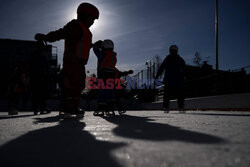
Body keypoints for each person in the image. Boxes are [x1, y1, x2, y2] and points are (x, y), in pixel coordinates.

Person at [34, 3, 99, 118]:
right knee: (72, 84)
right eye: (91, 18)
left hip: (80, 63)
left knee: (79, 84)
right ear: (83, 15)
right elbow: (61, 33)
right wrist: (46, 37)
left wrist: (93, 45)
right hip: (72, 61)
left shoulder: (86, 32)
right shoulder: (75, 25)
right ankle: (68, 107)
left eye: (94, 20)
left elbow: (83, 45)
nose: (93, 22)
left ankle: (70, 106)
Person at [155, 45, 186, 113]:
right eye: (172, 50)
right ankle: (167, 107)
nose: (173, 52)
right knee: (168, 94)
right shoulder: (169, 58)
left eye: (174, 50)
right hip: (170, 80)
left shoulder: (179, 59)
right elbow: (162, 68)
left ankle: (180, 107)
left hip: (176, 79)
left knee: (178, 94)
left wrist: (184, 76)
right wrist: (157, 76)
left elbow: (184, 68)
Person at [93, 39, 117, 116]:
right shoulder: (113, 56)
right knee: (109, 92)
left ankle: (101, 107)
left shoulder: (103, 54)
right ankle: (110, 108)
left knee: (102, 91)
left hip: (103, 75)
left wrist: (96, 44)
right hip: (111, 76)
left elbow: (95, 50)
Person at [30, 41, 50, 115]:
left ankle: (38, 108)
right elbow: (45, 67)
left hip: (36, 77)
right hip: (39, 77)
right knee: (40, 92)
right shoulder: (41, 56)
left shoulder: (36, 55)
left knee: (37, 92)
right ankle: (41, 108)